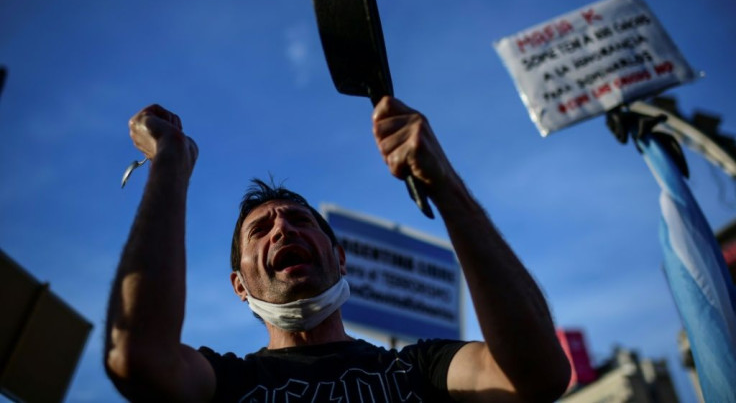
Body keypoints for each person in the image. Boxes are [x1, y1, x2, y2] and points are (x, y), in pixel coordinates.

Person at [104, 97, 571, 402]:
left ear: (340, 257)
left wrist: (446, 186)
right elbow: (136, 356)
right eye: (260, 229)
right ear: (239, 286)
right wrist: (170, 163)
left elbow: (538, 375)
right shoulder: (226, 384)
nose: (283, 228)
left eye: (300, 220)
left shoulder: (421, 370)